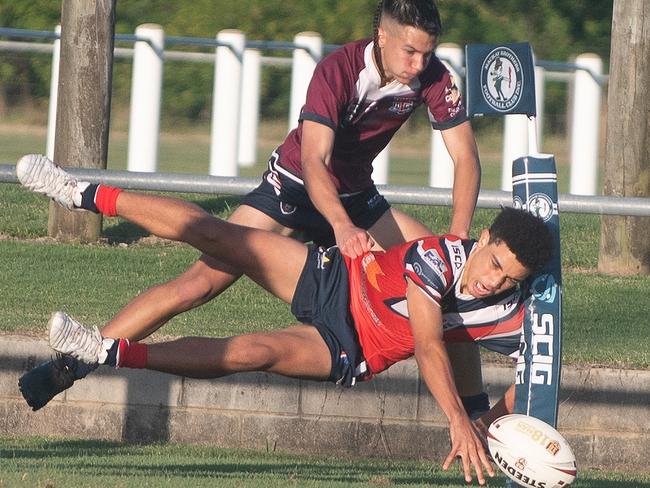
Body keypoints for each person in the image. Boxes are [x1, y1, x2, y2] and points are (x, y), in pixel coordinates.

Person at [18, 0, 489, 417]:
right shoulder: (339, 69)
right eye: (410, 51)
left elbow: (465, 158)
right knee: (196, 285)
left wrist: (457, 242)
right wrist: (342, 227)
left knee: (451, 283)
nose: (418, 62)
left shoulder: (433, 77)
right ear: (381, 35)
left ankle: (478, 418)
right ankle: (70, 365)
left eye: (427, 52)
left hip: (356, 199)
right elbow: (313, 160)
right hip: (296, 188)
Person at [16, 155, 553, 486]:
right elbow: (430, 343)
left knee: (251, 353)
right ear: (481, 240)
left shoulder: (512, 311)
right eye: (495, 263)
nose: (493, 281)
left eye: (510, 279)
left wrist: (487, 422)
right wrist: (460, 418)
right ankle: (81, 193)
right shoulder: (438, 256)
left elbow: (538, 381)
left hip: (351, 346)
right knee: (221, 237)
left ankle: (106, 351)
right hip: (335, 280)